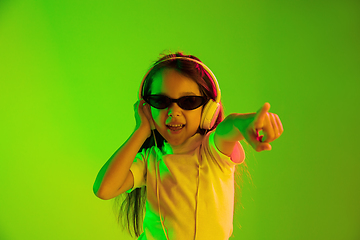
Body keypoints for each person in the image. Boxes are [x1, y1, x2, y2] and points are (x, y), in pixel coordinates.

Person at [93, 52, 284, 240]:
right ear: (147, 107)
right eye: (161, 101)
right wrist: (141, 130)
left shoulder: (213, 151)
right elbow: (104, 189)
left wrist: (248, 124)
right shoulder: (150, 160)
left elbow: (230, 125)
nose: (174, 112)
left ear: (209, 109)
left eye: (189, 101)